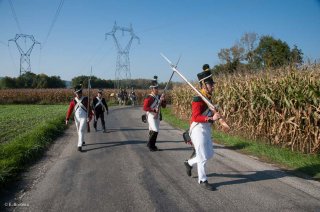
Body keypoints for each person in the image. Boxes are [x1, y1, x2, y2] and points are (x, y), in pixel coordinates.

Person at [183, 64, 221, 190]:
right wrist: (211, 118)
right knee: (203, 156)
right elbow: (195, 117)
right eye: (211, 84)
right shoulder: (198, 99)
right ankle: (203, 180)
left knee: (209, 154)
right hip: (197, 128)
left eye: (212, 84)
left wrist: (215, 114)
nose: (213, 86)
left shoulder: (208, 98)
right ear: (204, 85)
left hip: (205, 128)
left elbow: (209, 114)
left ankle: (188, 163)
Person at [66, 85, 93, 152]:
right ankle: (82, 140)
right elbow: (70, 110)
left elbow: (89, 109)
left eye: (79, 93)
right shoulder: (73, 101)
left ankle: (79, 145)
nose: (78, 94)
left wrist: (90, 116)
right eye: (77, 93)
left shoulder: (86, 99)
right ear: (75, 93)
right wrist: (67, 118)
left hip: (84, 117)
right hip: (76, 118)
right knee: (79, 131)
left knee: (81, 130)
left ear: (81, 93)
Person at [143, 76, 166, 151]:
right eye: (155, 88)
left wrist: (163, 99)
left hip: (157, 115)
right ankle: (152, 146)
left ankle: (150, 144)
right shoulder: (149, 97)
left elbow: (164, 106)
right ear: (152, 89)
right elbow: (145, 108)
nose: (157, 89)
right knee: (155, 130)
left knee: (152, 130)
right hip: (151, 115)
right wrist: (153, 109)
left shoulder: (159, 96)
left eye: (157, 88)